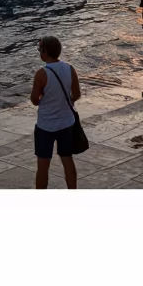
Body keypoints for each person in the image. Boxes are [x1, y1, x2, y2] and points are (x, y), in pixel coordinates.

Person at [30, 36, 81, 189]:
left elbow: (34, 99)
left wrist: (44, 100)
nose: (40, 52)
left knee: (43, 165)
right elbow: (76, 94)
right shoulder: (69, 68)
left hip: (46, 125)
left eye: (40, 49)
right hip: (66, 123)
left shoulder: (41, 73)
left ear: (45, 52)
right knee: (67, 160)